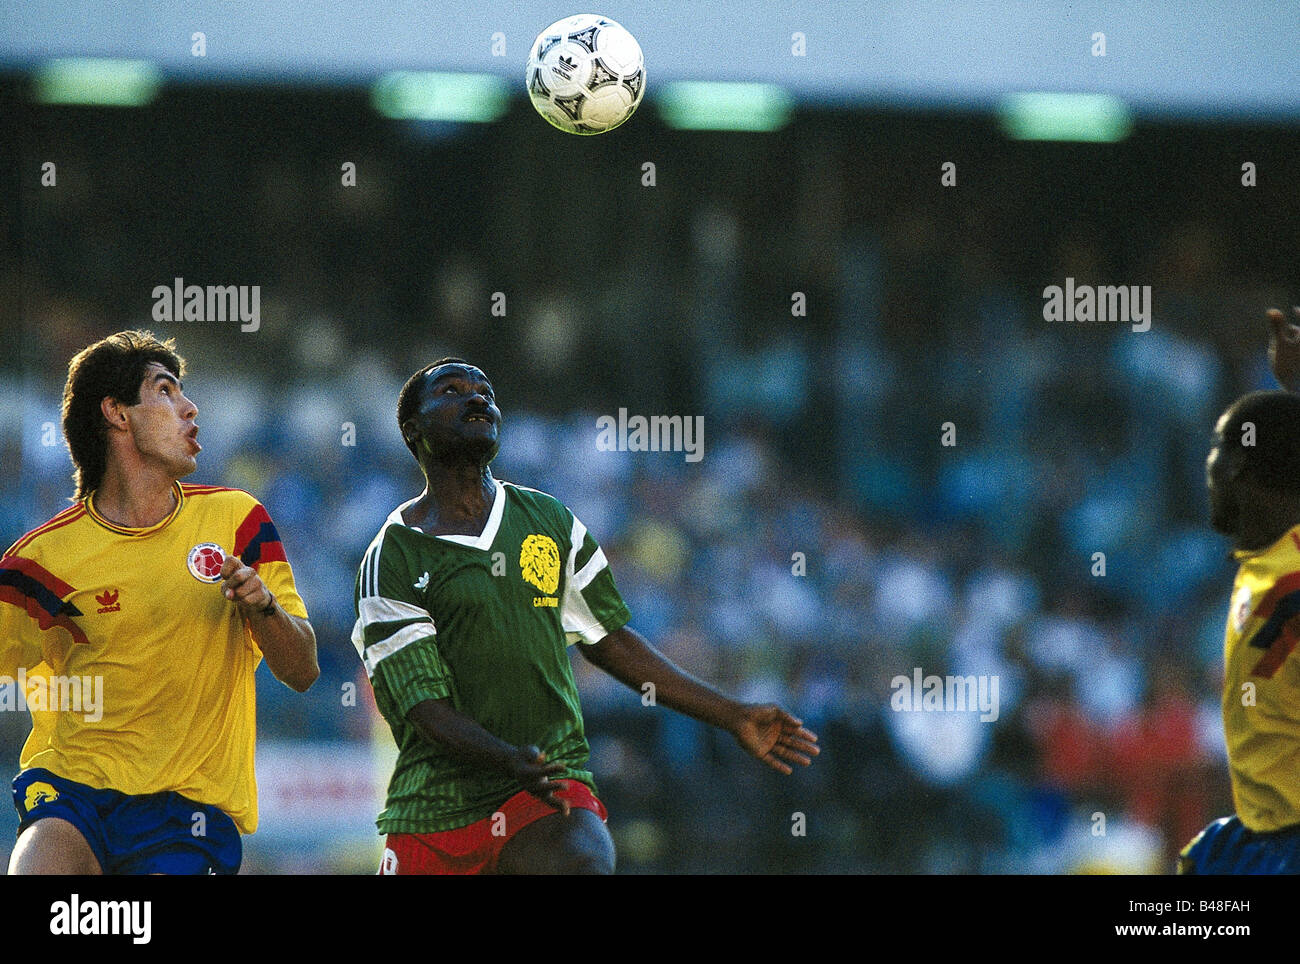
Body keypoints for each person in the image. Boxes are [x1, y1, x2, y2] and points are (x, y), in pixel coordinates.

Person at [353, 358, 819, 874]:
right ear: (412, 430)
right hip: (436, 811)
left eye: (486, 390)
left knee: (582, 863)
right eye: (452, 390)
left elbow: (611, 641)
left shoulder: (548, 520)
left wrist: (731, 714)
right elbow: (424, 708)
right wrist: (505, 756)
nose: (477, 397)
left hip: (543, 787)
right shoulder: (392, 557)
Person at [1, 330, 318, 875]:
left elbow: (304, 670)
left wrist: (263, 606)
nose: (190, 409)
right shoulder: (40, 561)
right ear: (117, 413)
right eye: (166, 391)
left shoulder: (237, 520)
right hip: (72, 795)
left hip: (186, 817)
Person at [1179, 307, 1300, 874]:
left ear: (1239, 471)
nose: (1209, 466)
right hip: (1255, 843)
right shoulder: (1267, 562)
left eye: (1218, 448)